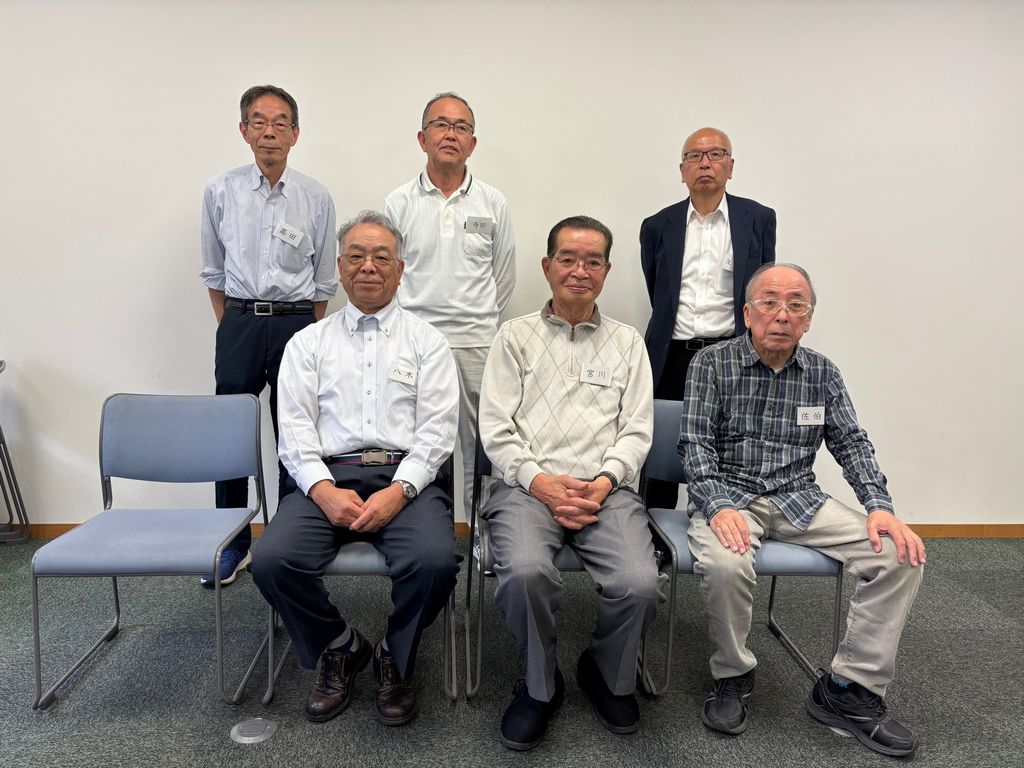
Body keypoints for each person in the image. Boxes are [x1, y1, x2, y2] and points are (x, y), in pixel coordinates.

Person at [680, 263, 925, 758]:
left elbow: (851, 442)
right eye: (769, 302)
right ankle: (733, 674)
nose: (782, 314)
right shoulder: (711, 363)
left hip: (799, 499)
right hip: (730, 497)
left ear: (809, 319)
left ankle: (848, 688)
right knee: (727, 563)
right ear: (747, 313)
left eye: (796, 304)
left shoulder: (823, 372)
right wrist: (718, 505)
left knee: (898, 555)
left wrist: (879, 506)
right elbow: (694, 444)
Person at [251, 211, 460, 727]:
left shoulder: (427, 341)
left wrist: (400, 490)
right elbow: (293, 428)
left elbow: (438, 430)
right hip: (327, 476)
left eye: (381, 257)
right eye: (357, 256)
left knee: (436, 561)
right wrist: (322, 490)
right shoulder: (308, 343)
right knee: (272, 561)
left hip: (404, 477)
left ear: (400, 269)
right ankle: (340, 645)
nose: (369, 266)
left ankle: (395, 654)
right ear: (340, 268)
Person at [478, 215, 665, 751]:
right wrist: (541, 483)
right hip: (527, 489)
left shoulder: (628, 343)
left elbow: (637, 430)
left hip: (606, 491)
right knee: (525, 573)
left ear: (607, 270)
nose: (579, 271)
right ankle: (541, 687)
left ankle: (605, 672)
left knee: (640, 582)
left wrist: (605, 482)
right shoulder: (514, 337)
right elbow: (496, 429)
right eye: (568, 259)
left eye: (592, 261)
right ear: (547, 266)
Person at [199, 84, 337, 586]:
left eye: (281, 122)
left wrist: (305, 330)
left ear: (295, 133)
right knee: (230, 433)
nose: (270, 131)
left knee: (294, 432)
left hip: (297, 322)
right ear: (244, 131)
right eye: (259, 121)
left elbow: (324, 280)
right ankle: (231, 542)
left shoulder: (315, 196)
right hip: (239, 319)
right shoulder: (220, 191)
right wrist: (234, 322)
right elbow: (214, 272)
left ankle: (286, 538)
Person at [384, 91, 516, 521]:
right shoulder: (398, 203)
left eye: (461, 127)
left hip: (477, 342)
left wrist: (476, 318)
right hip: (414, 343)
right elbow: (390, 274)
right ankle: (428, 532)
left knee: (482, 446)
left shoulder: (492, 202)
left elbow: (503, 277)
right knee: (418, 441)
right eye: (440, 124)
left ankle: (480, 535)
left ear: (472, 143)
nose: (450, 134)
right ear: (422, 138)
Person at [641, 127, 775, 510]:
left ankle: (723, 526)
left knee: (731, 449)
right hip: (673, 355)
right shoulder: (657, 225)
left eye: (715, 154)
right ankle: (654, 535)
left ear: (730, 167)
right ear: (681, 170)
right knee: (661, 450)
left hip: (732, 354)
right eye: (694, 156)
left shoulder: (758, 218)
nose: (704, 163)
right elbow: (658, 291)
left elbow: (762, 289)